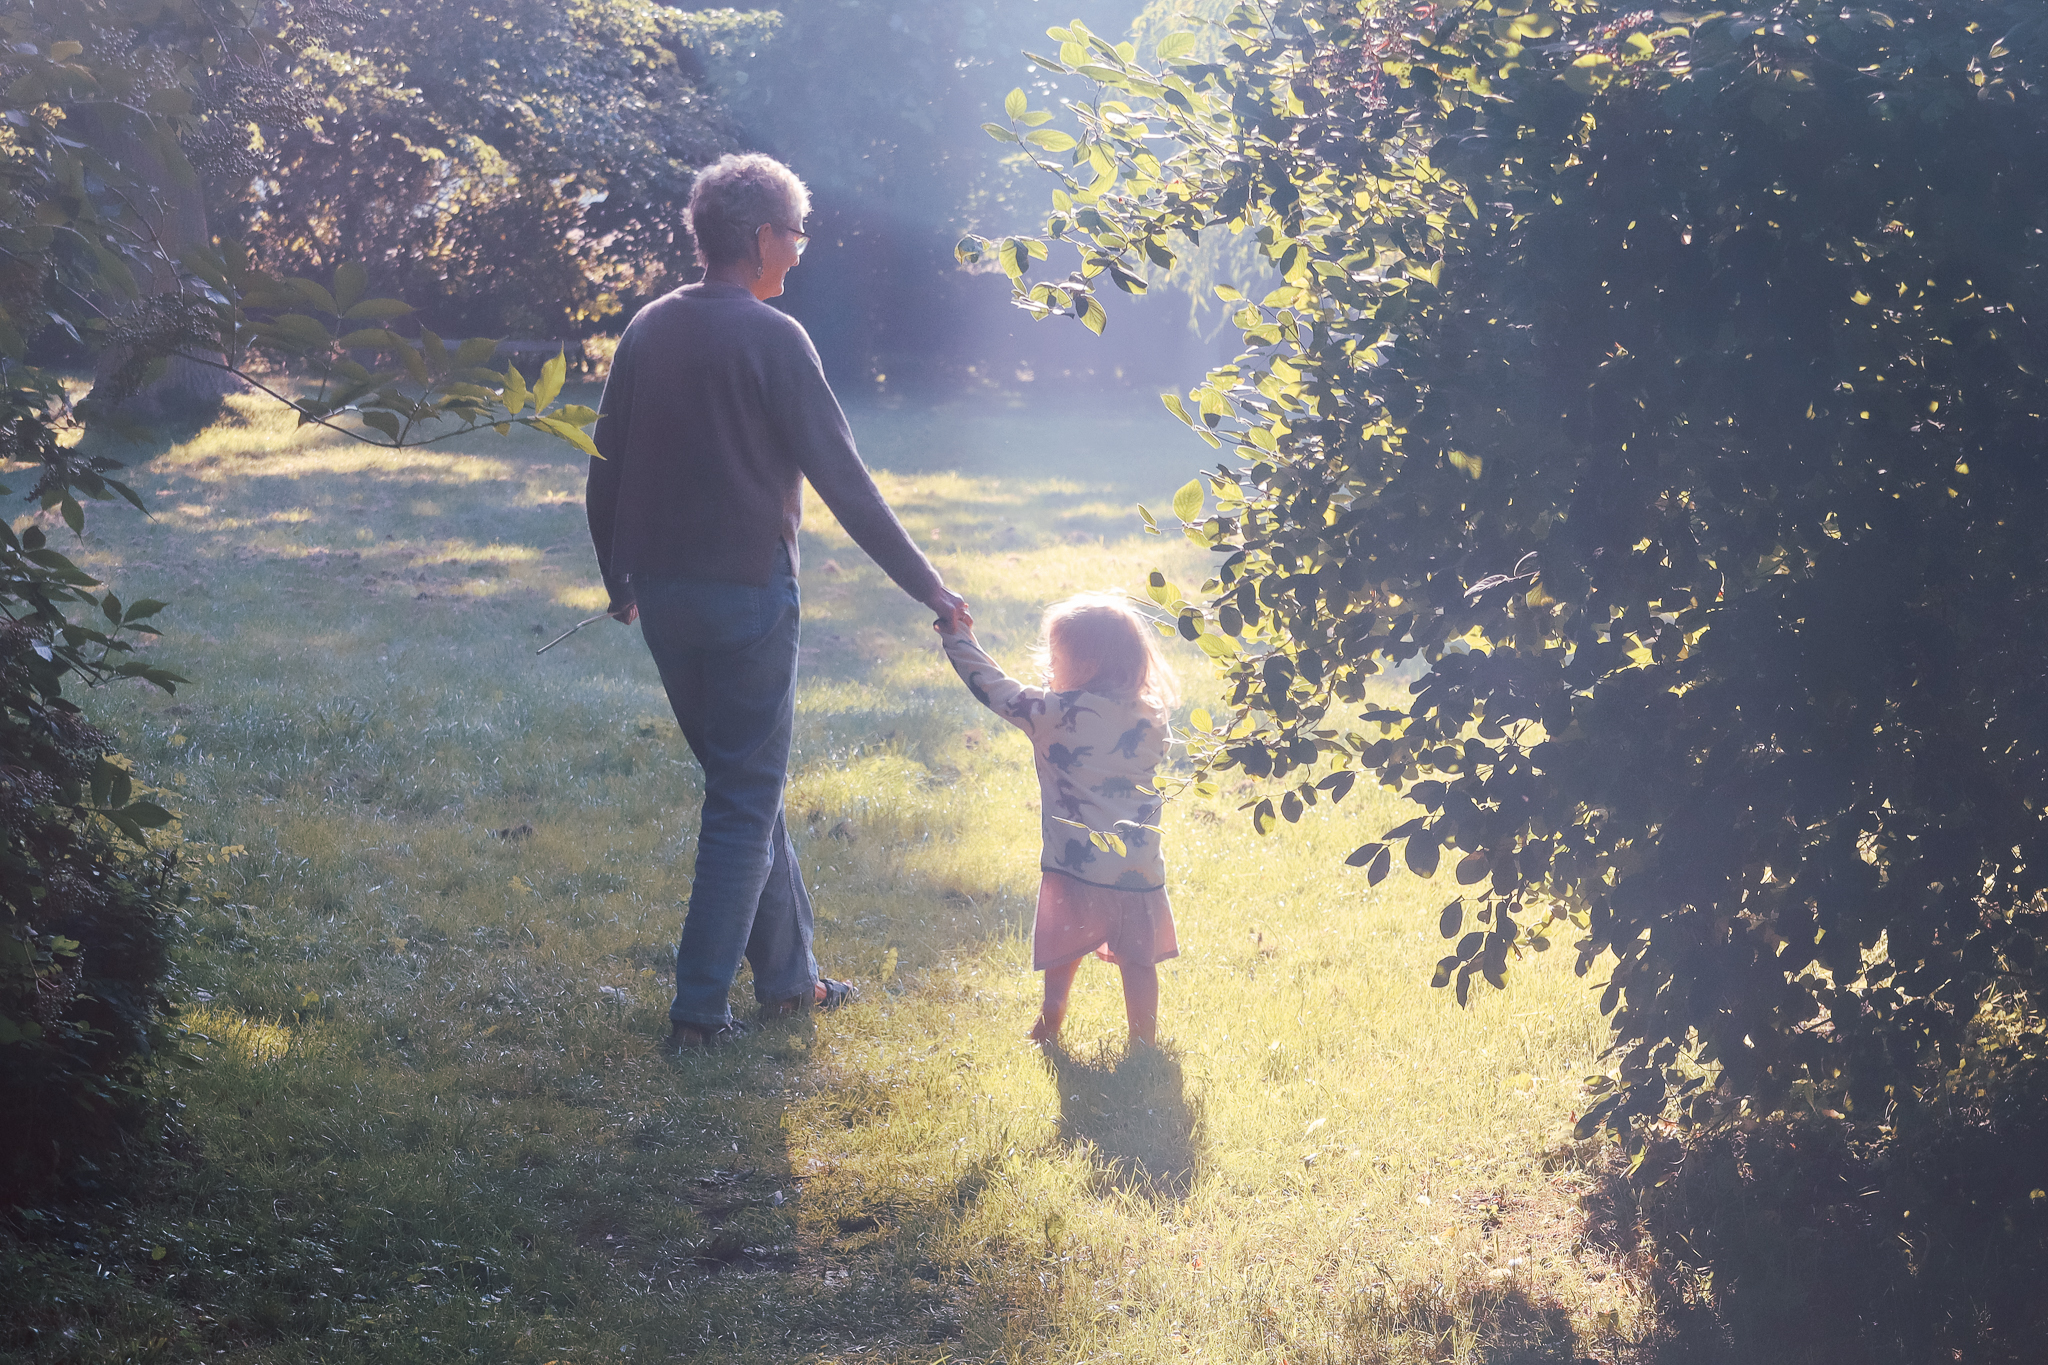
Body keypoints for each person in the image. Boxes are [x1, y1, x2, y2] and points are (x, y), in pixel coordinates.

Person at [587, 152, 969, 1049]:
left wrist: (618, 578)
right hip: (749, 598)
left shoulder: (648, 327)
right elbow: (847, 482)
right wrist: (930, 586)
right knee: (743, 799)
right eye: (795, 234)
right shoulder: (775, 337)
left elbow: (605, 466)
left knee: (745, 785)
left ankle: (792, 982)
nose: (800, 250)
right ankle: (698, 1013)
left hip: (665, 599)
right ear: (760, 237)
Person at [936, 593, 1180, 1046]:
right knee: (1138, 961)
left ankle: (1051, 1022)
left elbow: (994, 688)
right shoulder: (1151, 716)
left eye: (1056, 657)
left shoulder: (1055, 714)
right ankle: (1144, 1043)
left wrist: (959, 638)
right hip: (1138, 869)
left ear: (1087, 664)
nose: (1048, 667)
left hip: (1075, 865)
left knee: (1065, 947)